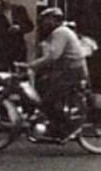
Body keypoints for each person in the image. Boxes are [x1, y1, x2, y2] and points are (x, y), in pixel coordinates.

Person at [30, 7, 90, 135]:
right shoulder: (61, 32)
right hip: (70, 71)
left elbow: (53, 56)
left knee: (48, 99)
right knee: (46, 86)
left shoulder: (60, 32)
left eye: (46, 20)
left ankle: (61, 128)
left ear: (53, 20)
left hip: (72, 72)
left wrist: (32, 65)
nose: (44, 23)